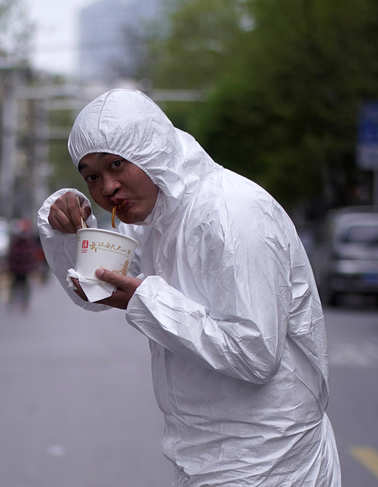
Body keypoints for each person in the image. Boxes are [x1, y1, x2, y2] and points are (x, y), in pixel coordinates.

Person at [37, 89, 341, 486]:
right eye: (92, 176)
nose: (107, 188)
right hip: (207, 456)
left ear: (151, 151)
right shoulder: (157, 221)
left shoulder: (232, 212)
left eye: (117, 165)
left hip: (271, 459)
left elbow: (254, 353)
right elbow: (96, 291)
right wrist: (64, 227)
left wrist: (143, 300)